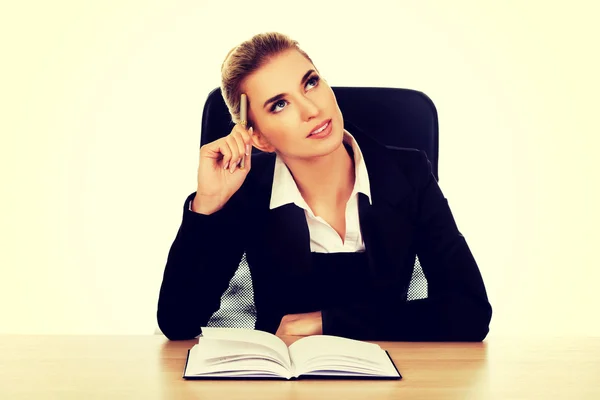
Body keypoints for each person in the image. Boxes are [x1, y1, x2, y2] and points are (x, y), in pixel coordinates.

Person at [157, 32, 492, 341]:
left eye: (311, 83)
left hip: (389, 378)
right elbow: (179, 321)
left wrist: (325, 323)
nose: (312, 109)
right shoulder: (248, 190)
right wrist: (208, 204)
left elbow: (469, 312)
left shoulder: (407, 173)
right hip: (279, 382)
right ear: (257, 136)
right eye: (280, 104)